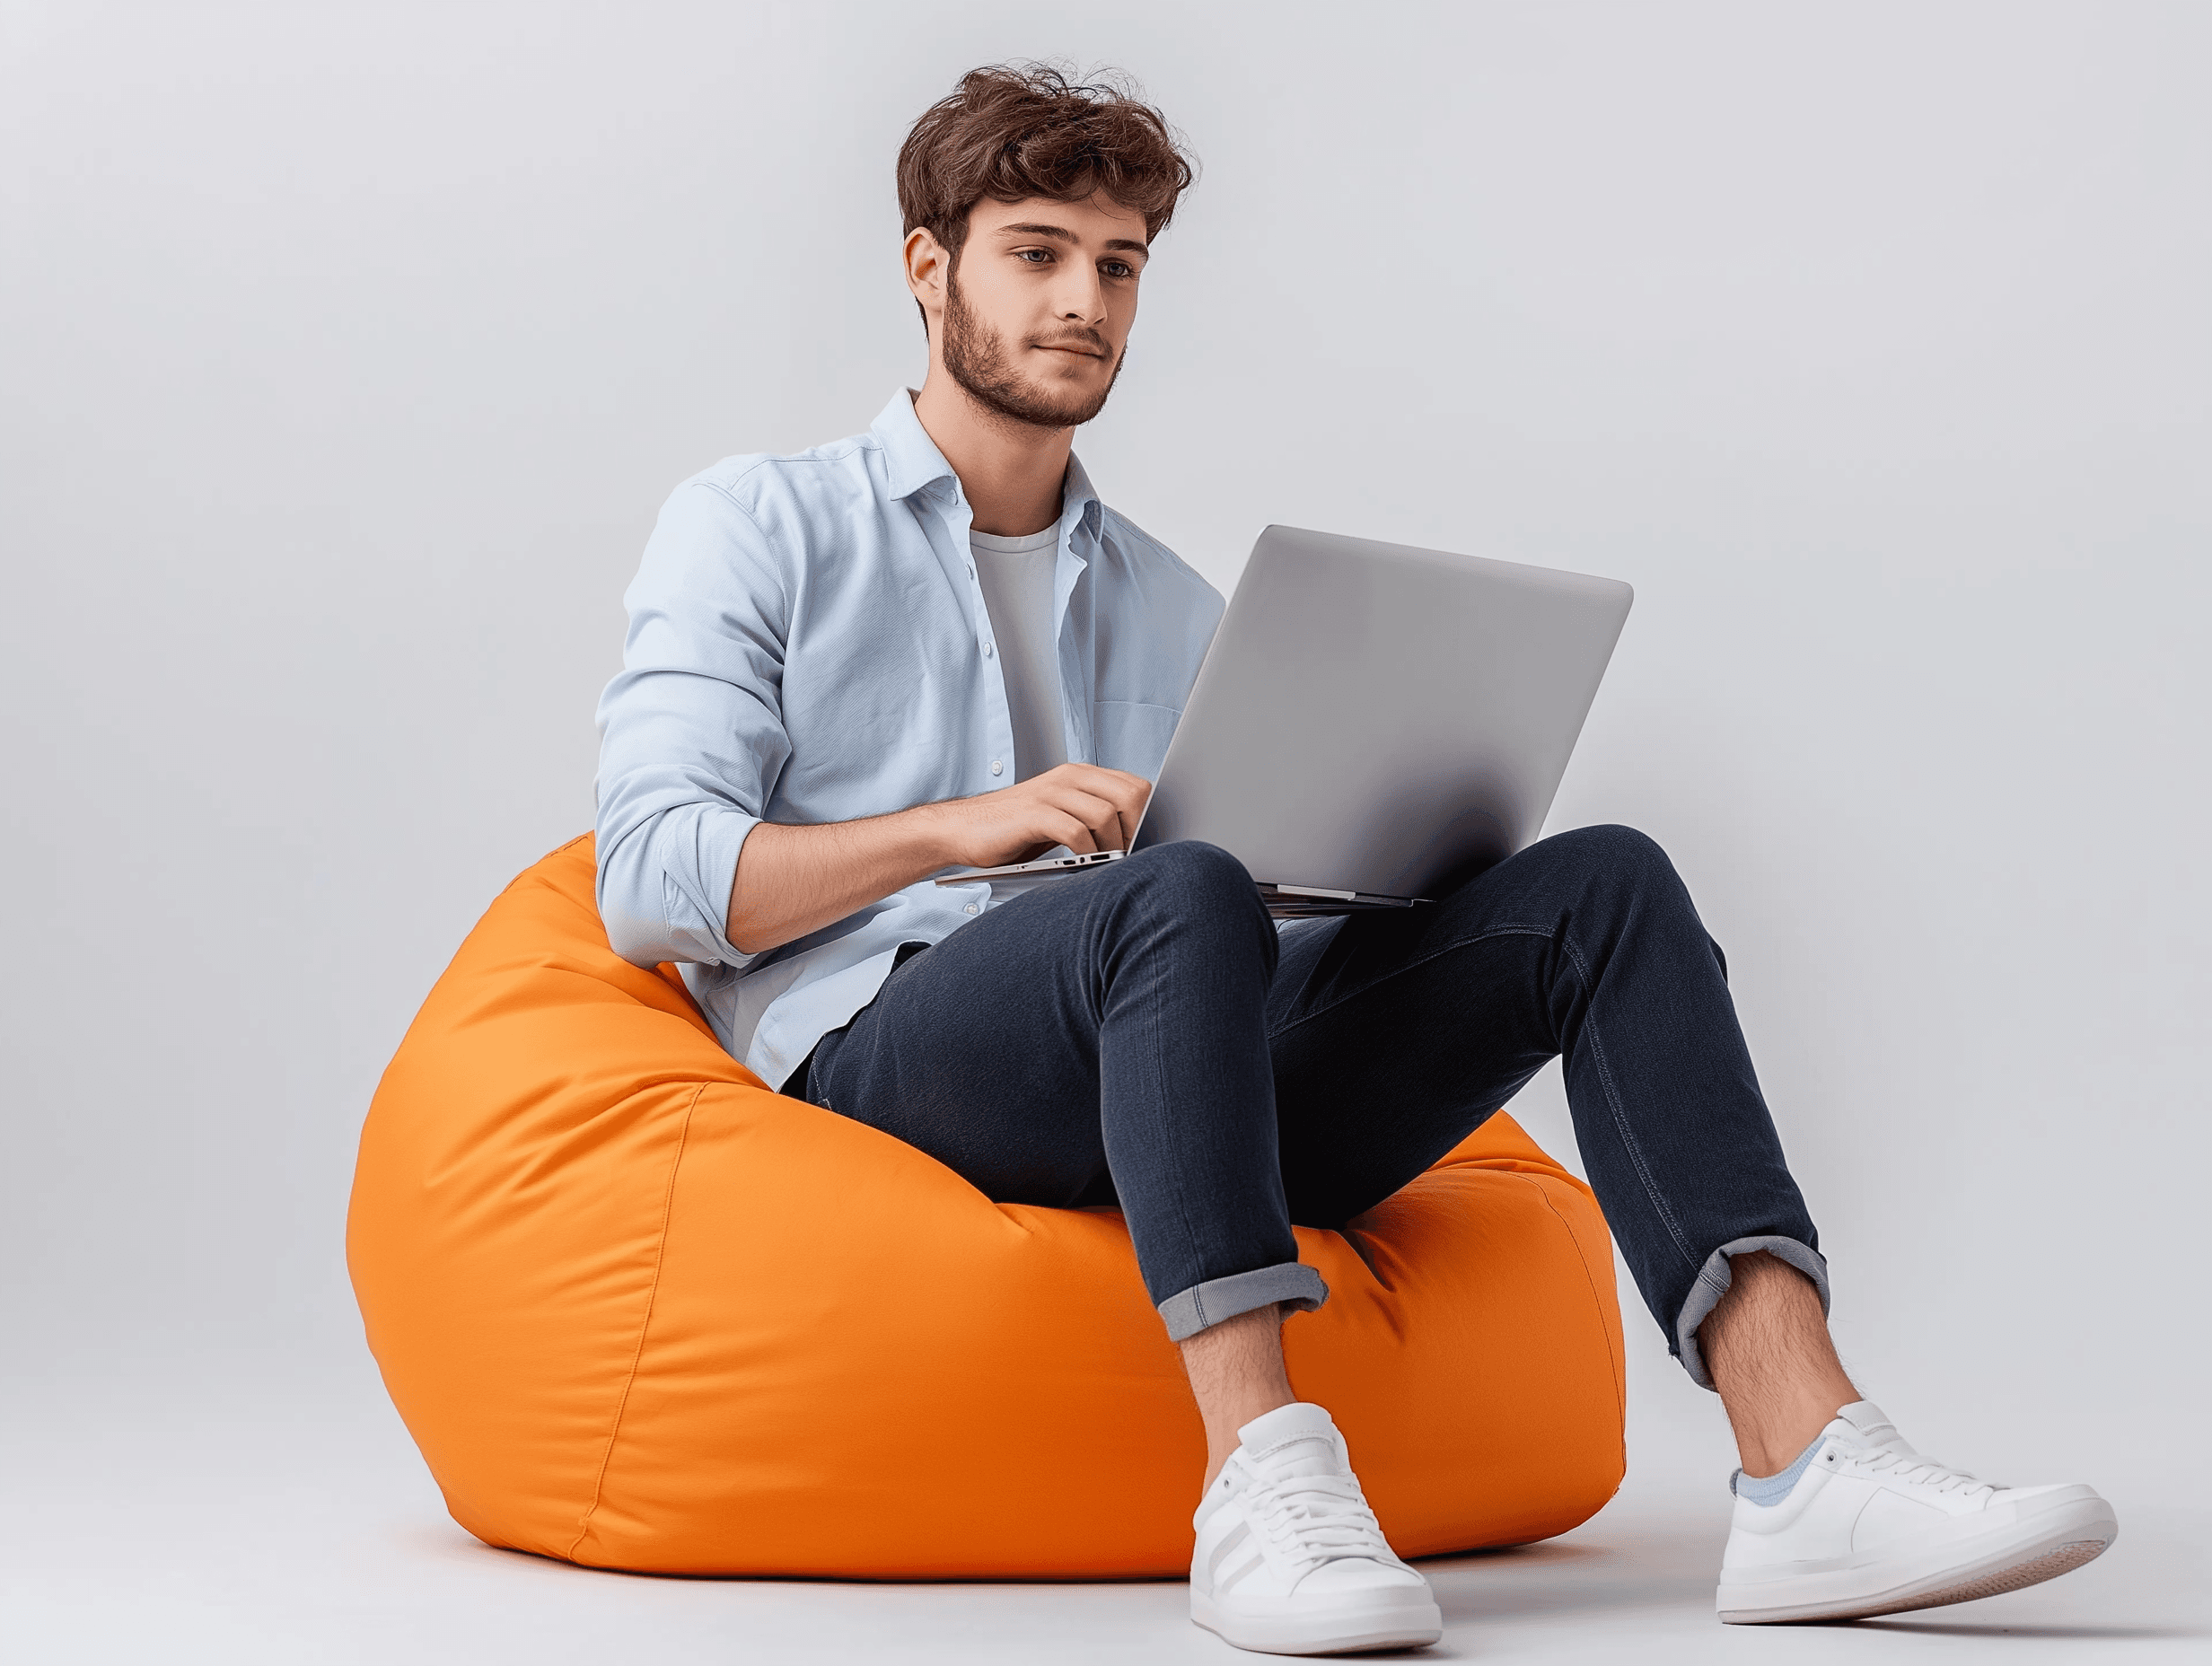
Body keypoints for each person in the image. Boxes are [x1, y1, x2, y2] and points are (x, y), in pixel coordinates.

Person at [593, 63, 2114, 1656]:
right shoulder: (757, 526)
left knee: (1601, 884)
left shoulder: (1180, 602)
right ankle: (1262, 1481)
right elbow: (652, 877)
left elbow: (1245, 902)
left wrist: (1385, 870)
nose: (1084, 303)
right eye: (1036, 252)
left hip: (1175, 1071)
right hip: (887, 1067)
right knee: (1166, 893)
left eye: (1119, 268)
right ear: (929, 267)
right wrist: (963, 827)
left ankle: (1807, 1461)